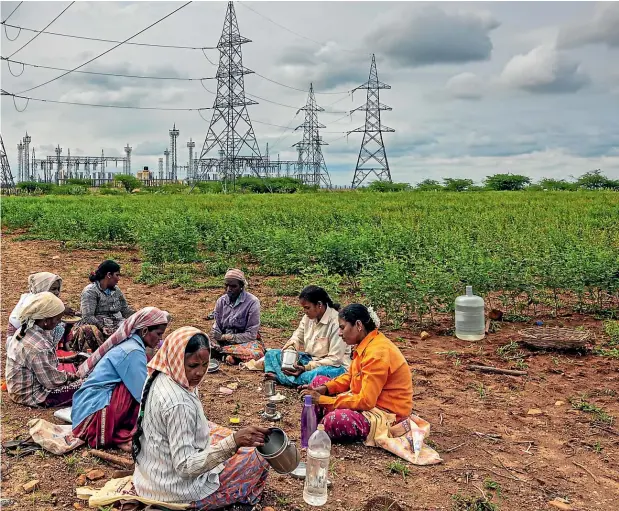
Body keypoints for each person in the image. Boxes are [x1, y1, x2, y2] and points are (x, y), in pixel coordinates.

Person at [132, 326, 270, 509]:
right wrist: (233, 442)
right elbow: (185, 467)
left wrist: (232, 441)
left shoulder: (163, 374)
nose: (200, 372)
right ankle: (240, 501)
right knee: (257, 456)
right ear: (177, 359)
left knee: (221, 433)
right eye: (193, 366)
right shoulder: (179, 404)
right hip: (174, 490)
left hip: (150, 476)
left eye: (205, 365)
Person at [301, 304, 413, 443]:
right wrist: (325, 389)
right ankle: (319, 425)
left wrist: (323, 400)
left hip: (385, 414)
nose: (340, 333)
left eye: (342, 327)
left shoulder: (377, 353)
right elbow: (351, 376)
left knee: (335, 420)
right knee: (319, 382)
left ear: (358, 325)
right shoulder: (367, 343)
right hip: (365, 401)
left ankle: (323, 425)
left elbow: (366, 401)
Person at [71, 307, 170, 452]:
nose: (160, 339)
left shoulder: (132, 345)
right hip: (92, 416)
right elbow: (143, 393)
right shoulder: (133, 351)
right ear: (144, 331)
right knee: (143, 393)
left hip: (84, 409)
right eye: (159, 334)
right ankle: (120, 435)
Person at [259, 285, 350, 386]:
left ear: (319, 304)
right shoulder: (308, 318)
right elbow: (297, 337)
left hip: (333, 366)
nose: (305, 311)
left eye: (307, 308)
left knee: (316, 374)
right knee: (271, 354)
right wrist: (291, 349)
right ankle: (289, 377)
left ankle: (281, 378)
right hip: (310, 359)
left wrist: (306, 368)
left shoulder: (336, 322)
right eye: (304, 308)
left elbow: (335, 359)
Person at [5, 292, 82, 407]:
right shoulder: (39, 347)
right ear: (46, 320)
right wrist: (75, 377)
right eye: (58, 320)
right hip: (32, 396)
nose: (59, 323)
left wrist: (66, 359)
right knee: (87, 387)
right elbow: (53, 381)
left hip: (18, 389)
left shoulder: (25, 329)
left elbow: (39, 363)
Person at [67, 260, 134, 353]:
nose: (118, 279)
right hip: (99, 325)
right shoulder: (90, 291)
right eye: (117, 275)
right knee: (89, 331)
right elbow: (88, 316)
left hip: (116, 323)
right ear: (109, 275)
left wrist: (139, 316)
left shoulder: (116, 290)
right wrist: (102, 327)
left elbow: (124, 309)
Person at [209, 269, 263, 365]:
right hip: (224, 342)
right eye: (227, 285)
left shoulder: (252, 302)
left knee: (257, 353)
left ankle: (222, 354)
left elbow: (251, 334)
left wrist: (228, 337)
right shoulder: (221, 301)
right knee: (201, 343)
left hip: (245, 342)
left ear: (242, 286)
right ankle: (229, 356)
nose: (229, 289)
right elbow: (217, 327)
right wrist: (216, 340)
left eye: (233, 286)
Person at [7, 272, 73, 349]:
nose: (57, 292)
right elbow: (27, 328)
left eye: (58, 289)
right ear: (42, 288)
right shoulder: (31, 303)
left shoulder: (45, 300)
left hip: (32, 340)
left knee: (60, 324)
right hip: (21, 342)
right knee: (58, 326)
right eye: (53, 289)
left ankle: (59, 347)